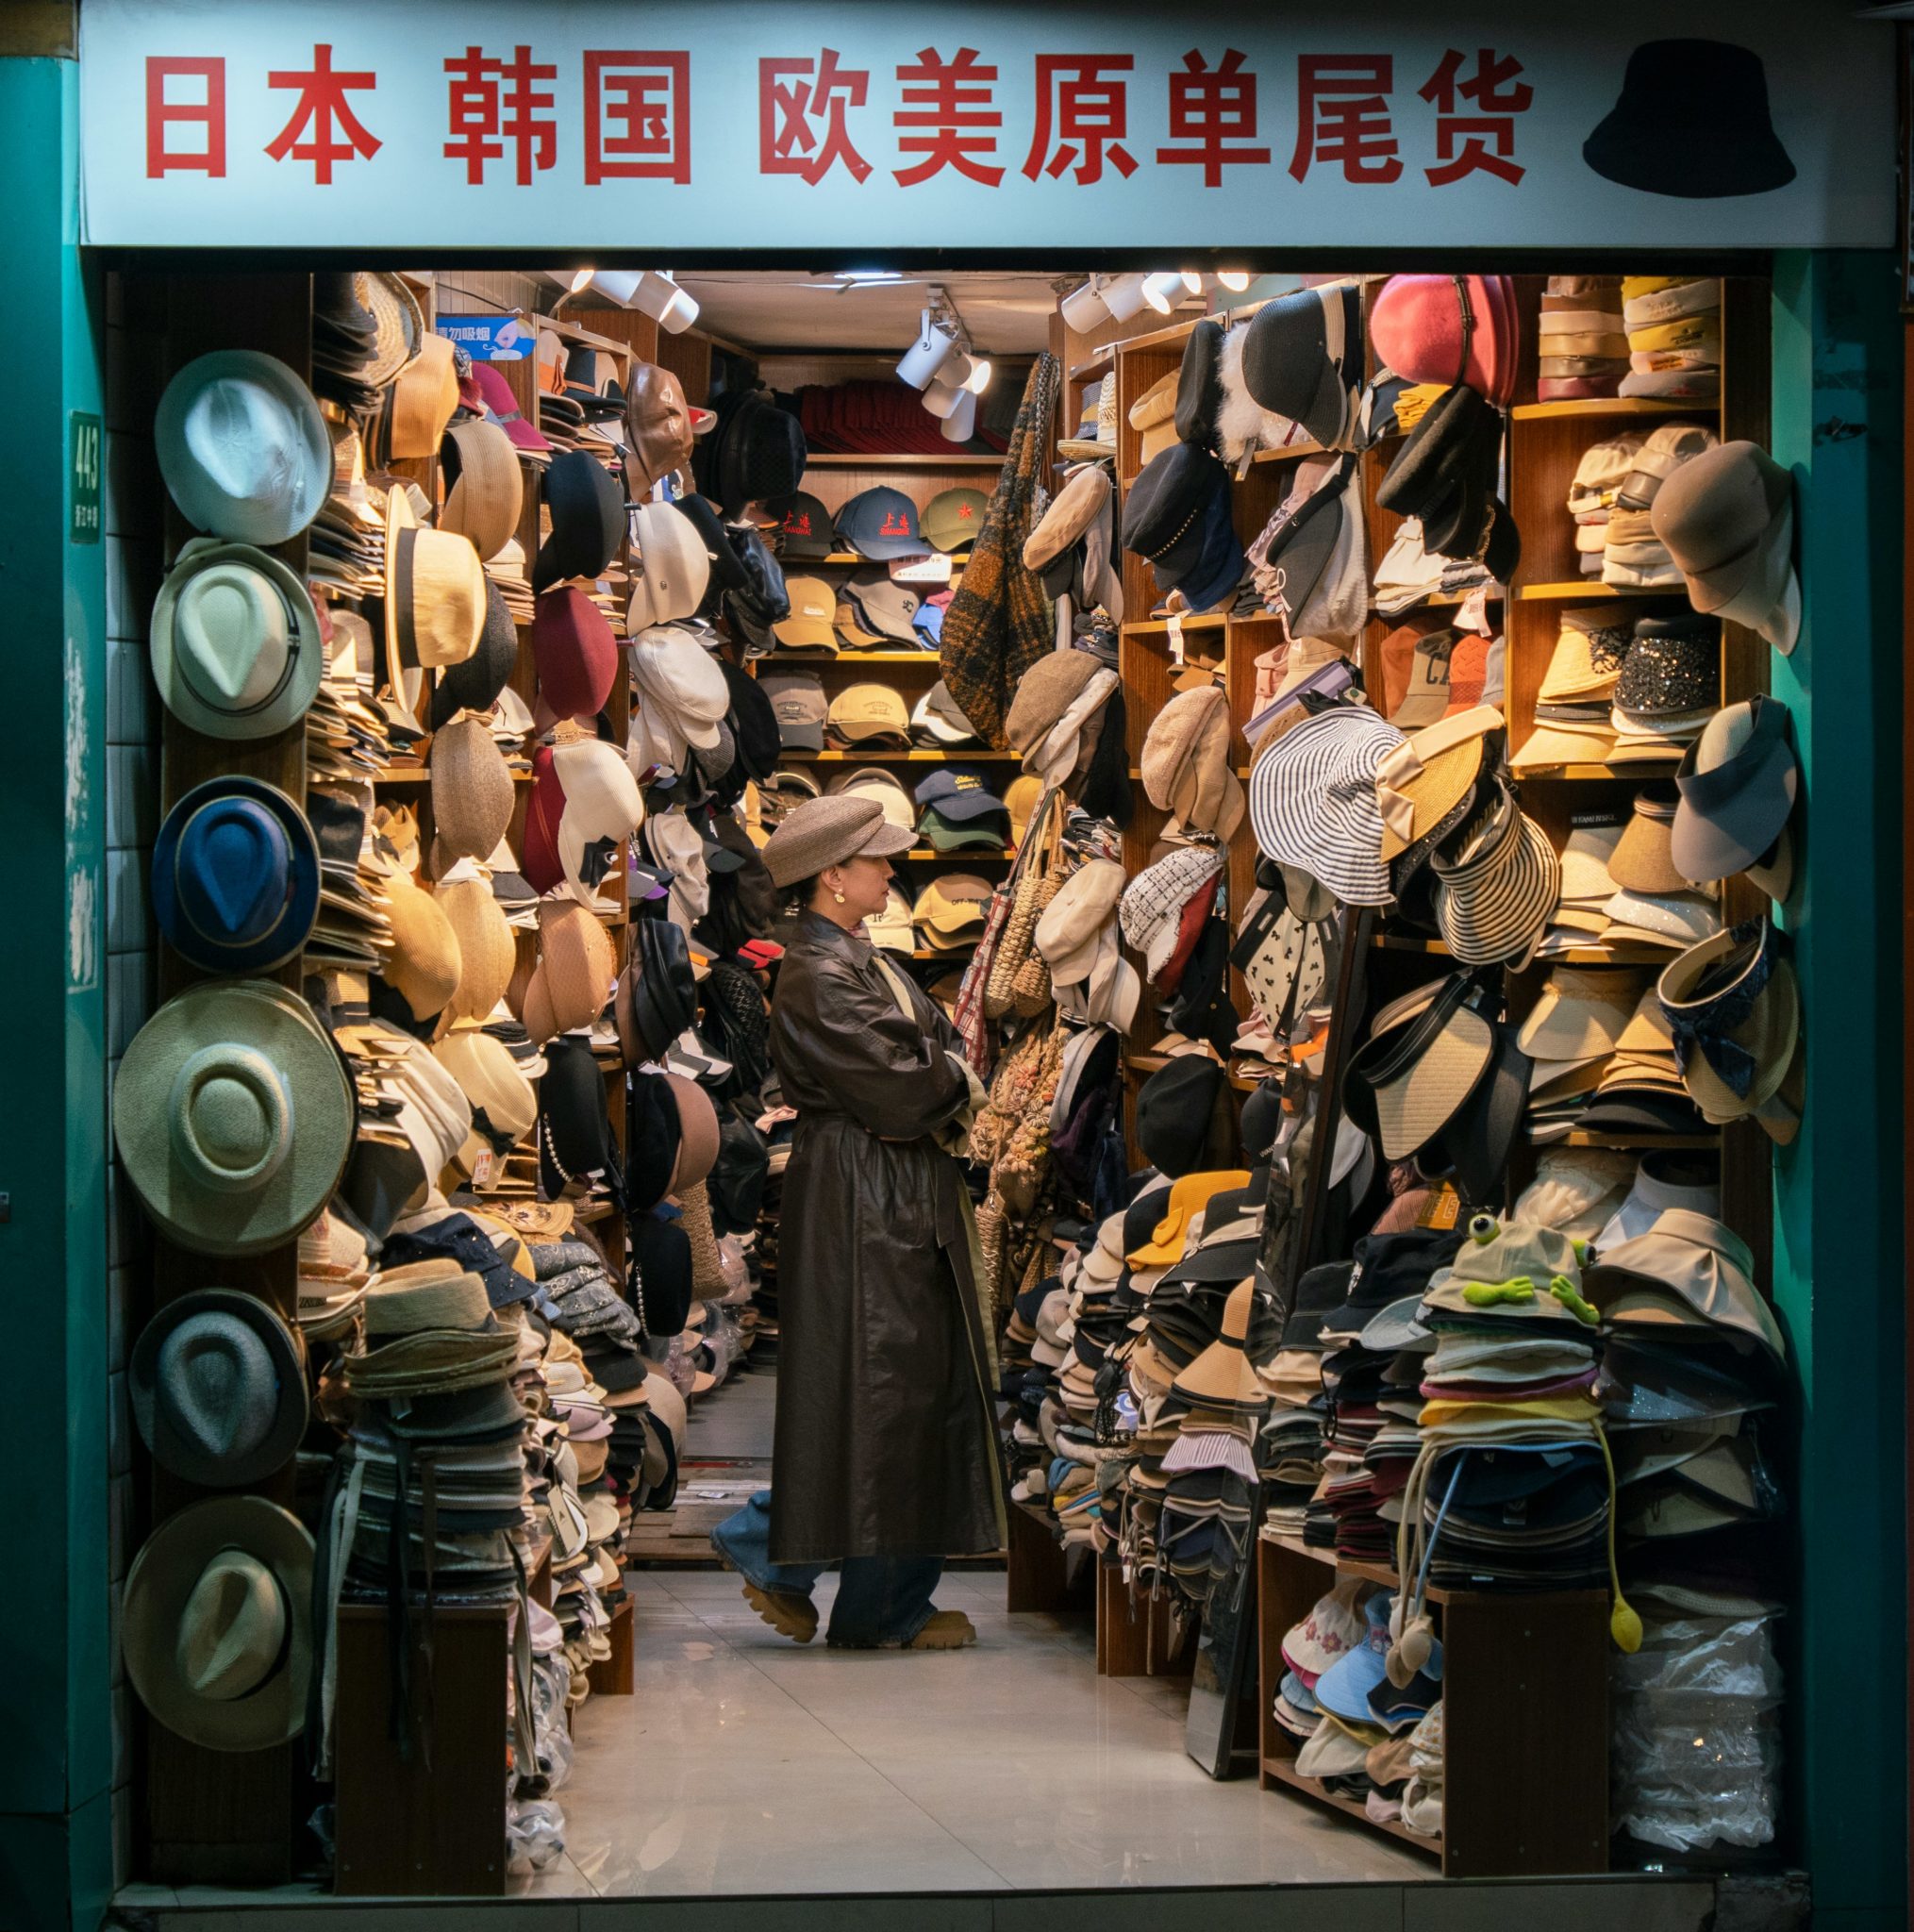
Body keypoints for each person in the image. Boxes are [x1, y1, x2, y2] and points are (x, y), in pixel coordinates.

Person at [711, 794, 1004, 1649]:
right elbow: (908, 1085)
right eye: (875, 859)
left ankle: (863, 1594)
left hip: (886, 1186)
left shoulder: (854, 959)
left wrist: (937, 1072)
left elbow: (939, 1052)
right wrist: (941, 1078)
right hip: (865, 1193)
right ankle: (833, 1580)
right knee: (887, 1389)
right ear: (833, 876)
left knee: (898, 1390)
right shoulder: (819, 971)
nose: (890, 869)